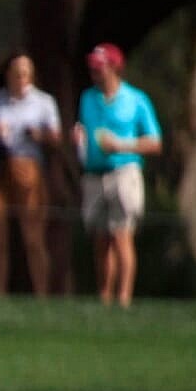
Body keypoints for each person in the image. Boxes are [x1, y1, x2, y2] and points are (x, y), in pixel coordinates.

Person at [73, 44, 162, 308]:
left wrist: (122, 145)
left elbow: (155, 142)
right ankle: (105, 297)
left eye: (99, 68)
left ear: (114, 67)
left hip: (124, 172)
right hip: (94, 174)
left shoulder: (135, 100)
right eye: (92, 68)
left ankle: (124, 299)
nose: (94, 73)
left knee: (122, 235)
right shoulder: (87, 98)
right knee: (100, 239)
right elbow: (85, 133)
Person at [0, 53, 62, 296]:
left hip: (28, 168)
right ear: (8, 74)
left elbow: (56, 138)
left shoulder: (43, 102)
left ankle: (42, 294)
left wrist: (39, 136)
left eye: (26, 73)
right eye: (17, 73)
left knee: (33, 238)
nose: (22, 78)